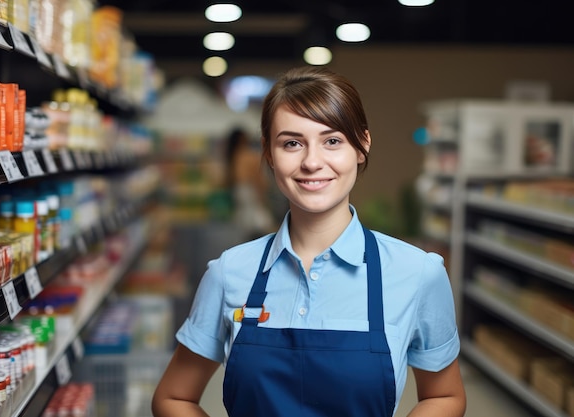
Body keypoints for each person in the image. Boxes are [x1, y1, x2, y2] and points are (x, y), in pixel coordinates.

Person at [152, 66, 466, 417]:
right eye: (291, 143)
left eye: (332, 141)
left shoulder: (417, 273)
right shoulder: (230, 272)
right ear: (270, 154)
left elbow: (444, 397)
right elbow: (173, 398)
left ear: (362, 145)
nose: (312, 162)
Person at [223, 127, 275, 237]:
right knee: (261, 223)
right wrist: (262, 195)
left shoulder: (232, 157)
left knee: (245, 223)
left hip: (238, 191)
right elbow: (257, 178)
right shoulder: (250, 155)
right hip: (250, 191)